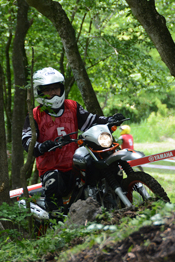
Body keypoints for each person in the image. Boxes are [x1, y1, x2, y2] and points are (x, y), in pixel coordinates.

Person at [21, 67, 124, 214]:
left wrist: (110, 120)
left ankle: (112, 207)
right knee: (53, 183)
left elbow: (91, 120)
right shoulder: (35, 115)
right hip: (51, 168)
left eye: (56, 88)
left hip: (75, 163)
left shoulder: (72, 106)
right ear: (39, 92)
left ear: (61, 88)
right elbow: (27, 140)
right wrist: (41, 146)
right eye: (48, 90)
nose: (53, 93)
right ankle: (56, 221)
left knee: (101, 168)